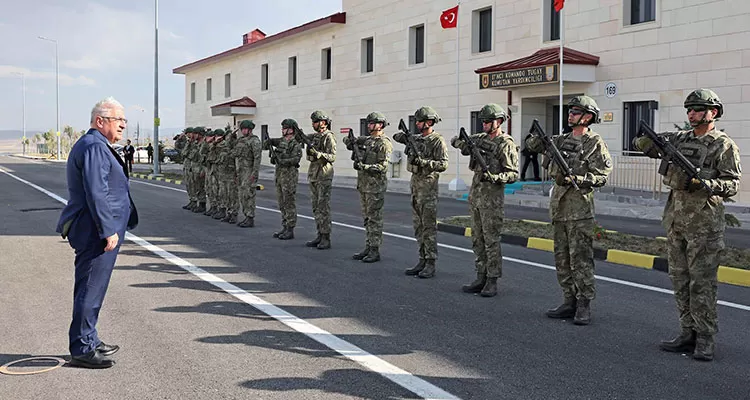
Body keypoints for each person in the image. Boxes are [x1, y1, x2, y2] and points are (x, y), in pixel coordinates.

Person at [634, 89, 742, 361]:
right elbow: (644, 145)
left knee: (702, 284)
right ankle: (687, 331)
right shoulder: (680, 139)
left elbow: (732, 185)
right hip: (676, 221)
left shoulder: (723, 145)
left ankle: (705, 338)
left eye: (697, 109)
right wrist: (648, 141)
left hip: (704, 225)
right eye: (689, 110)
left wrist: (705, 183)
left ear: (713, 112)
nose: (691, 114)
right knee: (680, 280)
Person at [55, 97, 138, 368]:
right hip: (95, 231)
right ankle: (82, 347)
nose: (124, 125)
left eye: (124, 120)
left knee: (94, 287)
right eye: (119, 120)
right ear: (100, 121)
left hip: (97, 229)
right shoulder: (94, 146)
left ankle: (89, 337)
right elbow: (96, 191)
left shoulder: (97, 144)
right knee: (90, 288)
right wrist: (107, 230)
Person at [525, 95, 613, 325]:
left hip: (579, 209)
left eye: (575, 112)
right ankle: (568, 299)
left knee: (581, 259)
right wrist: (536, 140)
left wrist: (581, 178)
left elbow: (602, 175)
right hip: (559, 207)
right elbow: (533, 145)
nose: (570, 115)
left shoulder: (594, 143)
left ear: (587, 117)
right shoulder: (561, 140)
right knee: (562, 258)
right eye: (570, 111)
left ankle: (584, 303)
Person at [451, 104, 519, 296]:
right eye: (483, 121)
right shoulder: (479, 139)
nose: (485, 124)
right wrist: (463, 144)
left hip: (492, 200)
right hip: (476, 197)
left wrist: (496, 177)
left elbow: (513, 174)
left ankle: (492, 280)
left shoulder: (505, 143)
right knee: (477, 239)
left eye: (488, 121)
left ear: (499, 122)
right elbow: (457, 141)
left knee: (491, 241)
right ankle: (480, 275)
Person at [394, 106, 449, 278]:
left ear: (429, 122)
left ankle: (430, 262)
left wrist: (425, 162)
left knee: (428, 227)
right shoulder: (416, 139)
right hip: (415, 186)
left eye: (420, 121)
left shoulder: (436, 141)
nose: (417, 124)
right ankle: (422, 258)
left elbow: (443, 164)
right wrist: (406, 137)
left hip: (428, 188)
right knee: (418, 227)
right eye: (416, 121)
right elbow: (397, 136)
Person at [344, 112, 393, 263]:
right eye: (369, 123)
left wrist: (365, 167)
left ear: (381, 125)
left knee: (374, 219)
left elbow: (383, 166)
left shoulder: (383, 143)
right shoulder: (367, 140)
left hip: (375, 187)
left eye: (373, 123)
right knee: (367, 218)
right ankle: (368, 246)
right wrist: (351, 141)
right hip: (364, 185)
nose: (370, 125)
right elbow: (348, 140)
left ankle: (375, 249)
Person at [303, 110, 337, 249]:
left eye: (316, 121)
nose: (313, 124)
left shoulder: (329, 137)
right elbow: (303, 139)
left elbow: (332, 156)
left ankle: (326, 237)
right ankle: (319, 234)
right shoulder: (315, 137)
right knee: (316, 207)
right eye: (313, 122)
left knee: (323, 207)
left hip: (324, 175)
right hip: (314, 175)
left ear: (323, 122)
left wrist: (319, 154)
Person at [265, 119, 303, 239]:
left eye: (285, 128)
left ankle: (290, 228)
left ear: (291, 130)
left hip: (289, 176)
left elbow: (296, 159)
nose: (283, 130)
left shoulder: (295, 144)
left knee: (289, 202)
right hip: (279, 175)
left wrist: (282, 161)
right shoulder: (281, 141)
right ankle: (285, 226)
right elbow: (267, 145)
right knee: (281, 202)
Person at [233, 120, 262, 227]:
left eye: (245, 129)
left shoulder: (254, 141)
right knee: (242, 196)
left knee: (249, 195)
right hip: (240, 172)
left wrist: (254, 174)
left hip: (249, 172)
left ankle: (250, 217)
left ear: (250, 130)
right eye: (242, 129)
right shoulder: (240, 141)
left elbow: (257, 159)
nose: (244, 131)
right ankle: (246, 216)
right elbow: (235, 154)